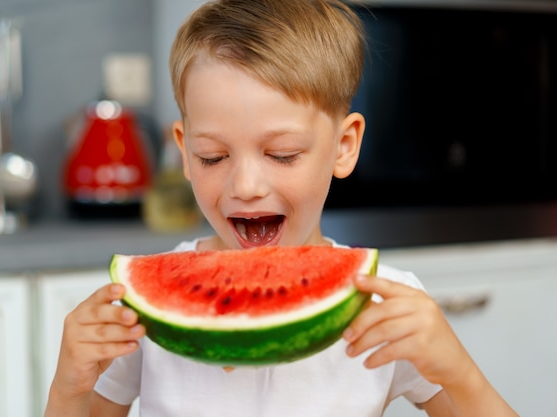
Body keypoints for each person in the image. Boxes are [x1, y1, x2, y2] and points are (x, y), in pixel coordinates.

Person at [44, 1, 519, 416]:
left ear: (344, 145)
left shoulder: (385, 304)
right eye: (213, 156)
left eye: (282, 154)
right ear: (185, 152)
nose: (246, 186)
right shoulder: (141, 315)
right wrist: (68, 388)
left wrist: (459, 373)